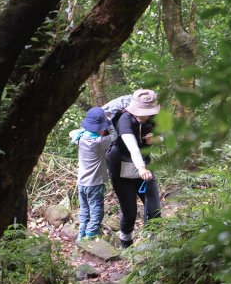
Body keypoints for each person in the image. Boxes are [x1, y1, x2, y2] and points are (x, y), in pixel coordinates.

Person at [103, 89, 162, 248]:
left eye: (148, 112)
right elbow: (133, 147)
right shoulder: (124, 120)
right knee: (129, 211)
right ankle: (126, 244)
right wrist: (141, 168)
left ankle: (155, 247)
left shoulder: (153, 119)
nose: (145, 115)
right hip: (121, 166)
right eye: (143, 112)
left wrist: (156, 139)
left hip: (145, 168)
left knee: (154, 208)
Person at [69, 106, 116, 242]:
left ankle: (81, 233)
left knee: (84, 208)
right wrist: (109, 122)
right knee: (96, 209)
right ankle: (91, 235)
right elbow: (114, 136)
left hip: (82, 182)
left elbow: (72, 132)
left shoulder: (79, 137)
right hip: (95, 183)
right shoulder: (99, 142)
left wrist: (84, 129)